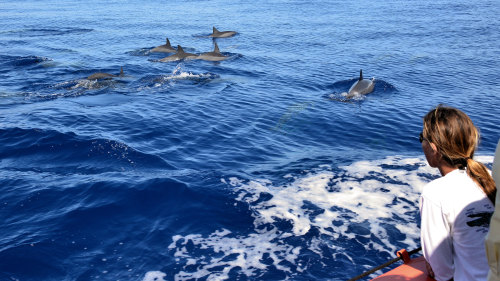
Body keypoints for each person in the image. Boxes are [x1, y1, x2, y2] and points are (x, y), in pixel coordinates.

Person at [419, 105, 497, 281]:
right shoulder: (491, 178)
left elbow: (443, 272)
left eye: (421, 138)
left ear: (433, 148)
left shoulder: (435, 193)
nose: (421, 143)